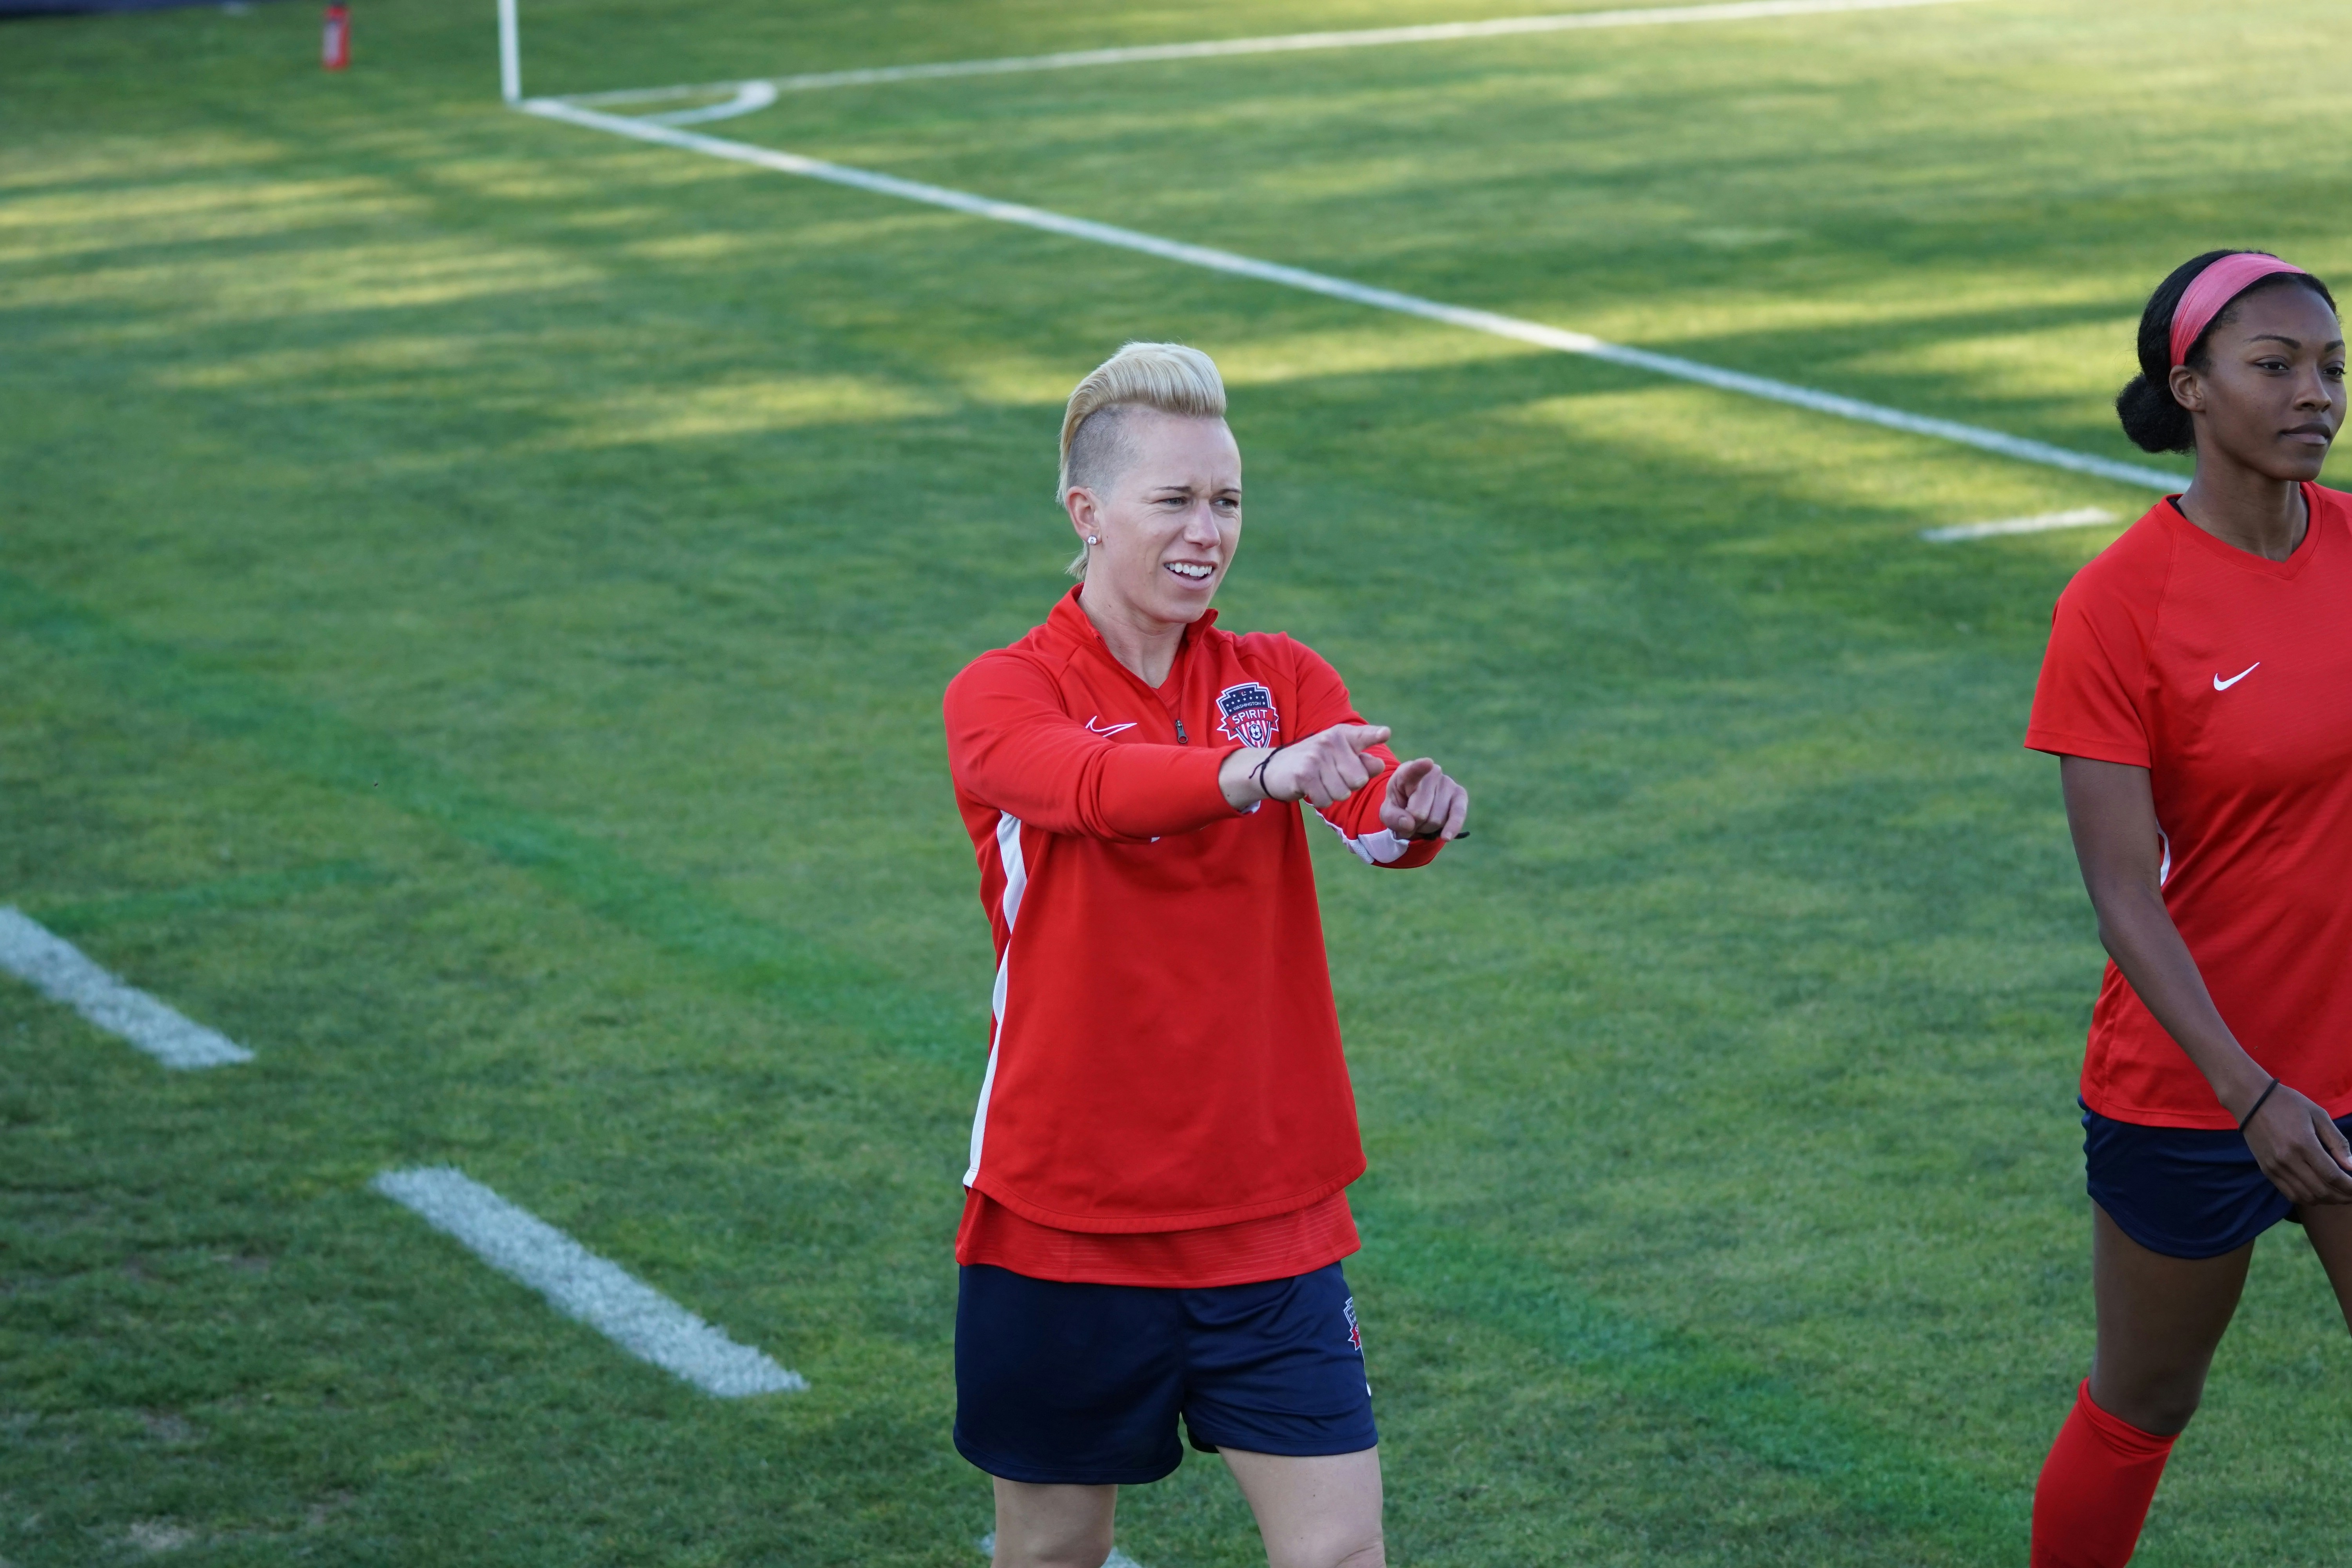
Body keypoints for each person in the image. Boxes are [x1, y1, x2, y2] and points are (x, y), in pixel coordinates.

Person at [940, 342, 1469, 1568]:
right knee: (1054, 1552)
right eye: (1173, 501)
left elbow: (1365, 810)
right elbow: (1092, 786)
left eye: (1226, 501)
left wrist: (1406, 813)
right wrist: (1256, 775)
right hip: (1065, 1217)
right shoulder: (1003, 694)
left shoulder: (1278, 676)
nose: (1207, 531)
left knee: (1341, 1553)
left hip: (1270, 1214)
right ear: (1087, 512)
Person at [2023, 250, 2352, 1567]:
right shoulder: (2118, 605)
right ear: (2193, 388)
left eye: (2330, 368)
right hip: (2193, 1091)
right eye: (2275, 367)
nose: (2315, 395)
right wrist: (2253, 1095)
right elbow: (2123, 894)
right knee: (2145, 1405)